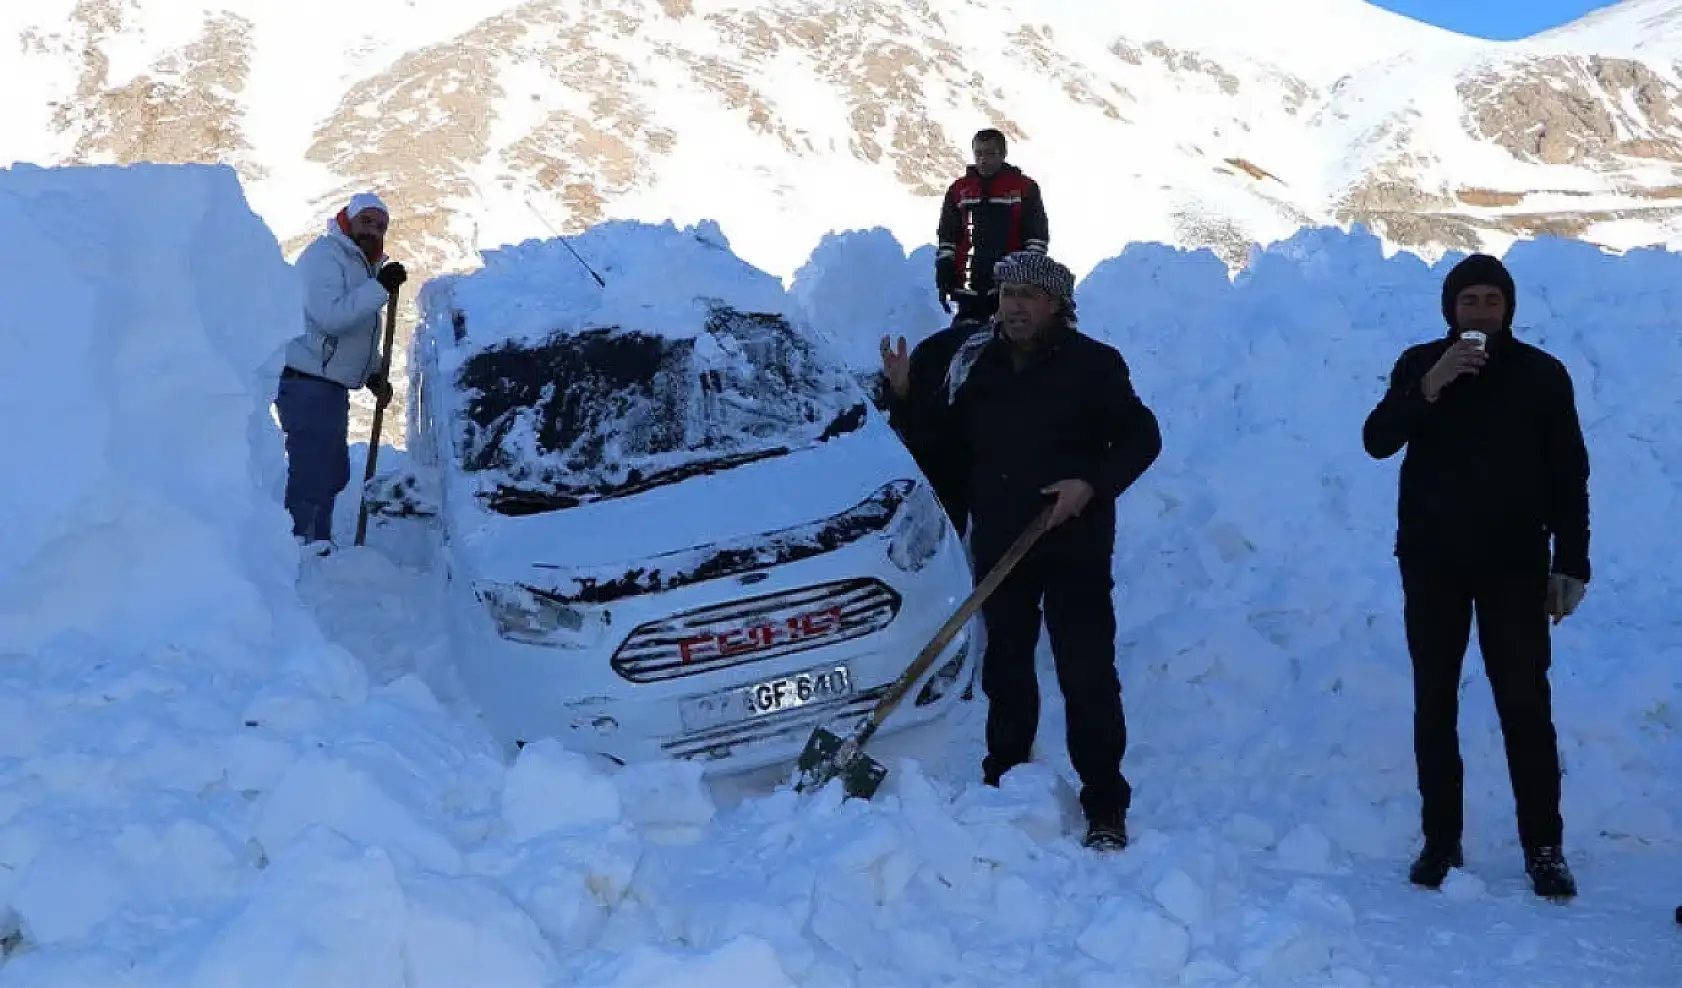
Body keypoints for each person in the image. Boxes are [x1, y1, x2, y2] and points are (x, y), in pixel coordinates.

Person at [889, 250, 1161, 850]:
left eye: (1029, 297)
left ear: (1058, 307)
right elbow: (947, 447)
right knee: (1007, 669)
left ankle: (1105, 805)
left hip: (1074, 544)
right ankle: (1006, 783)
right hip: (1001, 540)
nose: (1014, 306)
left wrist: (1089, 483)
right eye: (1007, 294)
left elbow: (1142, 436)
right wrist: (908, 397)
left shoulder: (1094, 366)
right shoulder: (977, 364)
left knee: (1086, 672)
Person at [1362, 252, 1589, 900]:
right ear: (1450, 308)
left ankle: (1545, 848)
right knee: (1434, 701)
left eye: (1492, 301)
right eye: (1470, 302)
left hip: (1514, 565)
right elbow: (1377, 440)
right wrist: (1429, 386)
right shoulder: (1419, 366)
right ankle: (1441, 840)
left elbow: (1570, 473)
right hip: (1432, 562)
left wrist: (1571, 562)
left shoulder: (1542, 375)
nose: (1482, 313)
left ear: (1508, 308)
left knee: (1524, 705)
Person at [276, 192, 408, 553]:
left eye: (381, 226)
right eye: (368, 221)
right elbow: (331, 318)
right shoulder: (325, 256)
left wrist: (373, 373)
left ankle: (320, 541)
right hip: (306, 384)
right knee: (311, 472)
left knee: (332, 472)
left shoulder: (361, 266)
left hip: (329, 387)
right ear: (348, 219)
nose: (375, 230)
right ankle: (296, 546)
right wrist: (379, 288)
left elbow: (356, 334)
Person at [935, 128, 1049, 326]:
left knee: (1005, 345)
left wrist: (1030, 279)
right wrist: (944, 273)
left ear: (1003, 154)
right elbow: (947, 237)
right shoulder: (958, 190)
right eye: (978, 153)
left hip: (1010, 289)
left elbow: (1036, 237)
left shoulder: (1024, 188)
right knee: (966, 345)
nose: (983, 160)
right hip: (968, 289)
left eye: (990, 153)